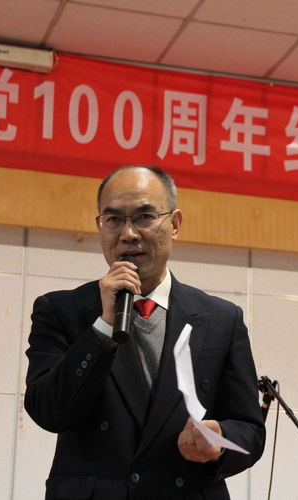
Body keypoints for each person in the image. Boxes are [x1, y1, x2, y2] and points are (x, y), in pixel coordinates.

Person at [24, 165, 265, 499]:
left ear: (175, 224)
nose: (128, 234)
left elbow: (250, 430)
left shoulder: (221, 318)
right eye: (113, 219)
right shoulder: (61, 310)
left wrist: (219, 441)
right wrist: (102, 327)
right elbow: (47, 411)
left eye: (144, 217)